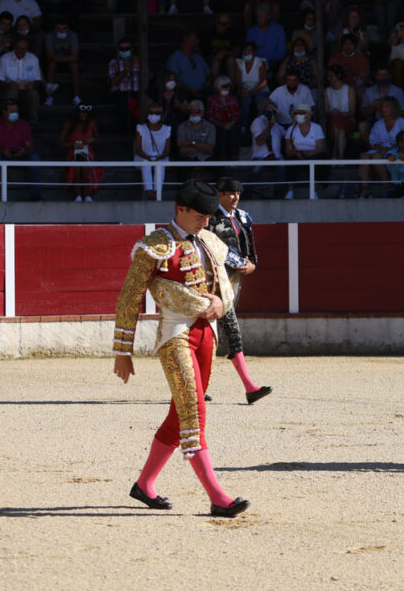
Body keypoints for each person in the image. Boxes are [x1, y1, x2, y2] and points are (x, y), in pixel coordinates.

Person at [112, 180, 250, 518]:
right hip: (175, 335)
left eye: (208, 216)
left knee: (180, 414)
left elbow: (230, 278)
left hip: (207, 335)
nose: (206, 222)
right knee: (193, 413)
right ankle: (218, 497)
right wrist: (122, 351)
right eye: (200, 216)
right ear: (181, 210)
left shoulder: (208, 240)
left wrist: (221, 300)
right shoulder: (154, 246)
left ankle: (144, 485)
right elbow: (129, 298)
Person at [208, 178, 273, 405]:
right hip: (213, 283)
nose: (235, 198)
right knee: (231, 329)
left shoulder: (243, 217)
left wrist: (252, 265)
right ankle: (249, 387)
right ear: (220, 195)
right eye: (230, 194)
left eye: (238, 193)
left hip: (235, 281)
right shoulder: (209, 219)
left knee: (212, 334)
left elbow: (251, 251)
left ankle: (196, 386)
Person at [0, 35, 44, 125]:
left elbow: (38, 79)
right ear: (15, 47)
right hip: (8, 90)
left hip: (26, 90)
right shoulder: (5, 59)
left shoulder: (33, 59)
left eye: (24, 48)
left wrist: (33, 84)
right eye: (20, 48)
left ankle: (33, 122)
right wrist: (9, 85)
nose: (22, 51)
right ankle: (10, 121)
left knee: (33, 93)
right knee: (12, 92)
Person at [58, 104, 103, 202]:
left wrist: (93, 139)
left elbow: (99, 140)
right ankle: (78, 195)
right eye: (81, 112)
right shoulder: (69, 124)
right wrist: (73, 144)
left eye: (86, 113)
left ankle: (87, 195)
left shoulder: (92, 124)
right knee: (77, 169)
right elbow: (60, 142)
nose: (83, 115)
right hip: (73, 153)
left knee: (85, 168)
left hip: (88, 153)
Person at [135, 102, 172, 200]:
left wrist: (157, 158)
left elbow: (167, 151)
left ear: (162, 115)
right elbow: (138, 149)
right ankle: (149, 192)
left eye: (157, 113)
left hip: (161, 158)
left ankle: (157, 192)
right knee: (146, 163)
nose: (153, 116)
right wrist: (148, 157)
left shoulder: (167, 129)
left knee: (159, 164)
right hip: (143, 157)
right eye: (151, 113)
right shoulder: (141, 128)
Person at [43, 16, 80, 106]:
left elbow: (75, 57)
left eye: (64, 29)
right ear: (55, 29)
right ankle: (50, 97)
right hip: (56, 62)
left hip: (67, 62)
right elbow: (50, 57)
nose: (61, 31)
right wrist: (67, 57)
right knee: (51, 65)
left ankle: (76, 97)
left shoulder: (73, 36)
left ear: (68, 29)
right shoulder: (50, 36)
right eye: (59, 29)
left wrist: (57, 58)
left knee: (74, 65)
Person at [207, 76, 242, 162]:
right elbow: (210, 117)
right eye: (224, 86)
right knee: (221, 132)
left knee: (233, 130)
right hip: (217, 124)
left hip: (231, 124)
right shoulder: (211, 99)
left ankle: (233, 157)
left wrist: (229, 124)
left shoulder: (233, 99)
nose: (226, 88)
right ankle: (221, 158)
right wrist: (223, 125)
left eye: (228, 86)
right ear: (218, 87)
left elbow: (237, 115)